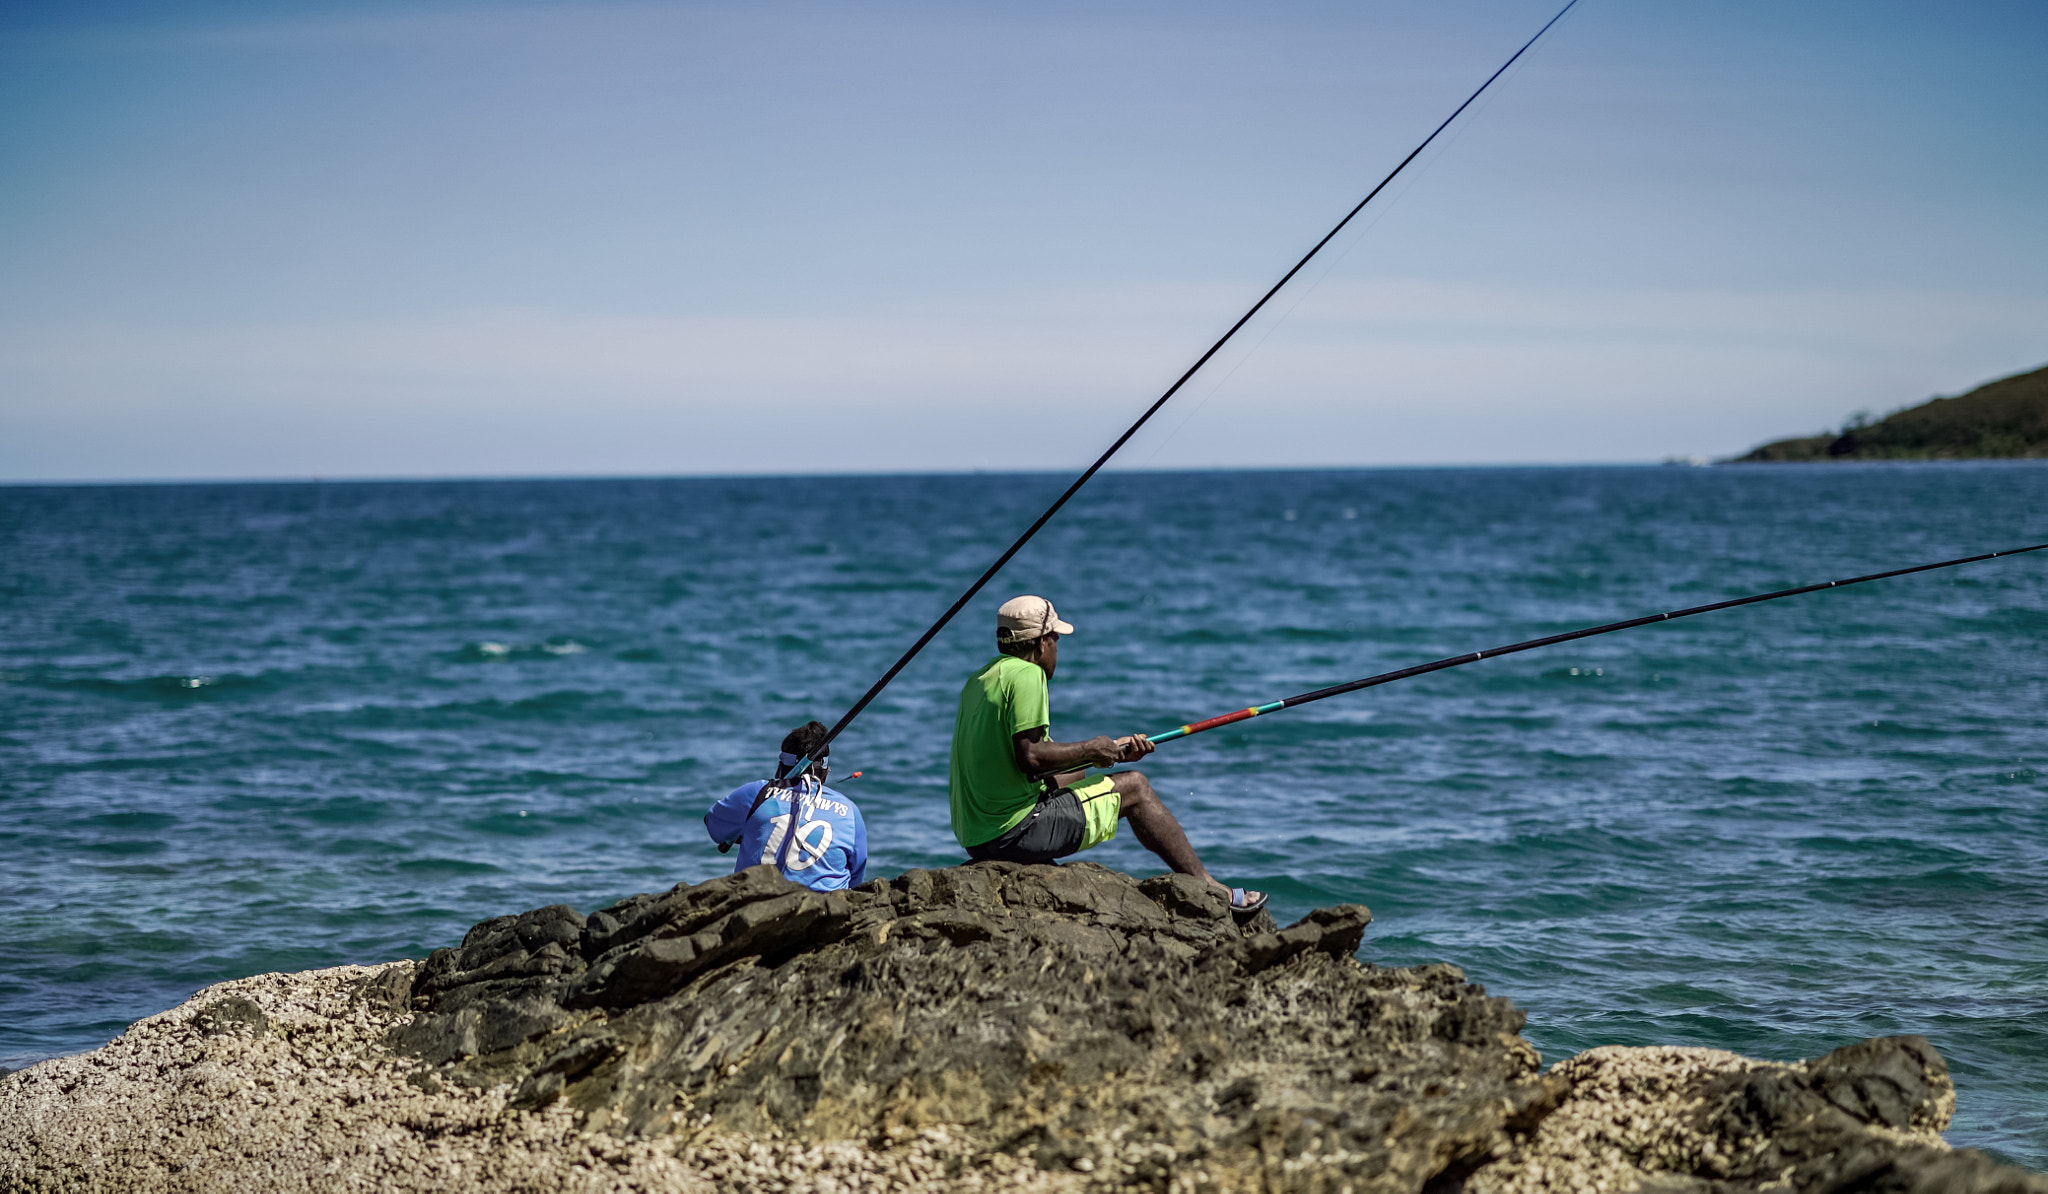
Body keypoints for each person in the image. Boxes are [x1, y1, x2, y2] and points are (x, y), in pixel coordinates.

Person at [948, 594, 1266, 914]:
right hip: (1012, 834)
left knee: (1080, 772)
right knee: (1136, 788)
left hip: (978, 835)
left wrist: (1109, 751)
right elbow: (1030, 757)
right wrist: (1090, 747)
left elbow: (1026, 764)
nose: (1058, 642)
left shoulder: (980, 680)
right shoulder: (1028, 675)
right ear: (1042, 642)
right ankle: (1213, 889)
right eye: (1055, 635)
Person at [705, 720, 868, 891]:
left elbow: (714, 826)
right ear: (825, 771)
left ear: (780, 767)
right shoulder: (849, 811)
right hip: (827, 910)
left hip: (756, 905)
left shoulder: (757, 793)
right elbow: (855, 876)